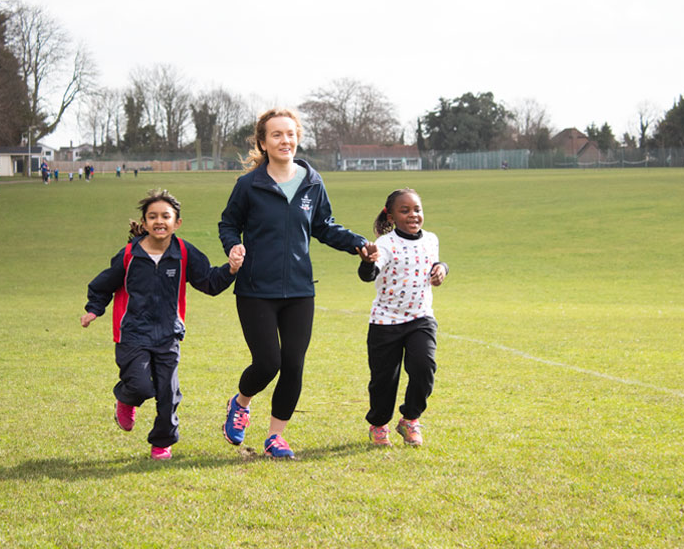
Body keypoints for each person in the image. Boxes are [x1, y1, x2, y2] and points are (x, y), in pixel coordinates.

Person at [218, 108, 375, 459]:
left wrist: (357, 243)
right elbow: (228, 224)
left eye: (290, 133)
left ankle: (276, 437)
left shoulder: (311, 180)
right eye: (276, 134)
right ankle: (240, 402)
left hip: (300, 290)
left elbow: (323, 225)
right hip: (256, 289)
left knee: (293, 364)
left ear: (297, 137)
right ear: (263, 142)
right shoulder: (249, 185)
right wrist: (233, 246)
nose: (284, 140)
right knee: (268, 362)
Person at [81, 189, 245, 461]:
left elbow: (208, 282)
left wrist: (230, 270)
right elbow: (103, 285)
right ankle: (125, 398)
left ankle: (162, 443)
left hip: (168, 334)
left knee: (169, 393)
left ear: (176, 222)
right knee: (141, 387)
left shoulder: (184, 253)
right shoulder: (129, 255)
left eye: (166, 216)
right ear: (144, 223)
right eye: (153, 216)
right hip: (132, 333)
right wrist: (93, 309)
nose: (159, 221)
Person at [357, 188, 448, 447]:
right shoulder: (385, 244)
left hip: (420, 319)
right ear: (392, 216)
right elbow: (369, 274)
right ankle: (379, 424)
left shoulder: (431, 239)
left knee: (424, 368)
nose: (413, 215)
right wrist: (366, 262)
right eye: (404, 210)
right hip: (385, 322)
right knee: (383, 380)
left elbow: (436, 263)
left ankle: (410, 419)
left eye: (417, 209)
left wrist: (442, 269)